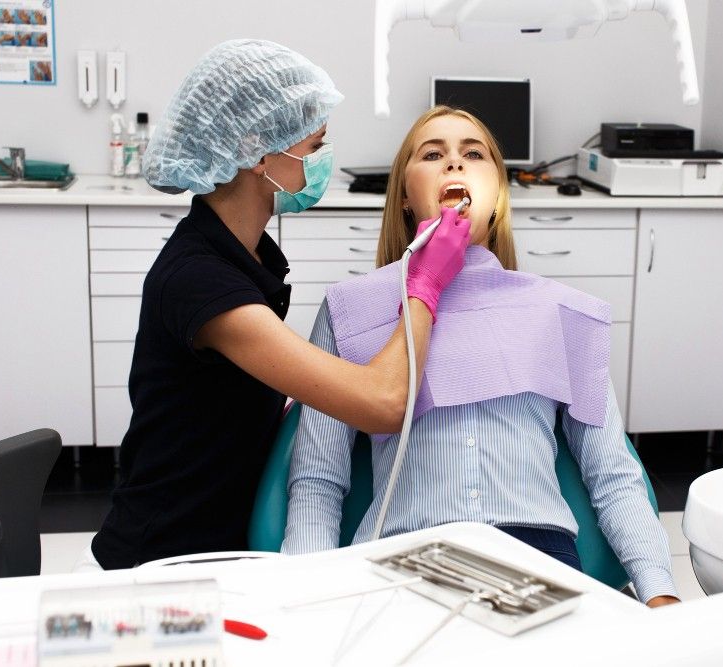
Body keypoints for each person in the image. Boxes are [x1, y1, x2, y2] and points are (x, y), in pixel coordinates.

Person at [84, 42, 469, 570]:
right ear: (258, 154)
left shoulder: (245, 253)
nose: (321, 162)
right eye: (314, 146)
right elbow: (383, 403)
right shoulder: (200, 279)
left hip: (227, 535)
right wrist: (424, 282)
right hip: (165, 559)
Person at [282, 106, 680, 607]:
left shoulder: (559, 312)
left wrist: (661, 594)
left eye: (474, 154)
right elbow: (318, 480)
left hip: (538, 562)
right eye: (432, 154)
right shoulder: (351, 309)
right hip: (401, 561)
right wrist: (303, 603)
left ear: (499, 198)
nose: (455, 164)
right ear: (405, 198)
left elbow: (614, 476)